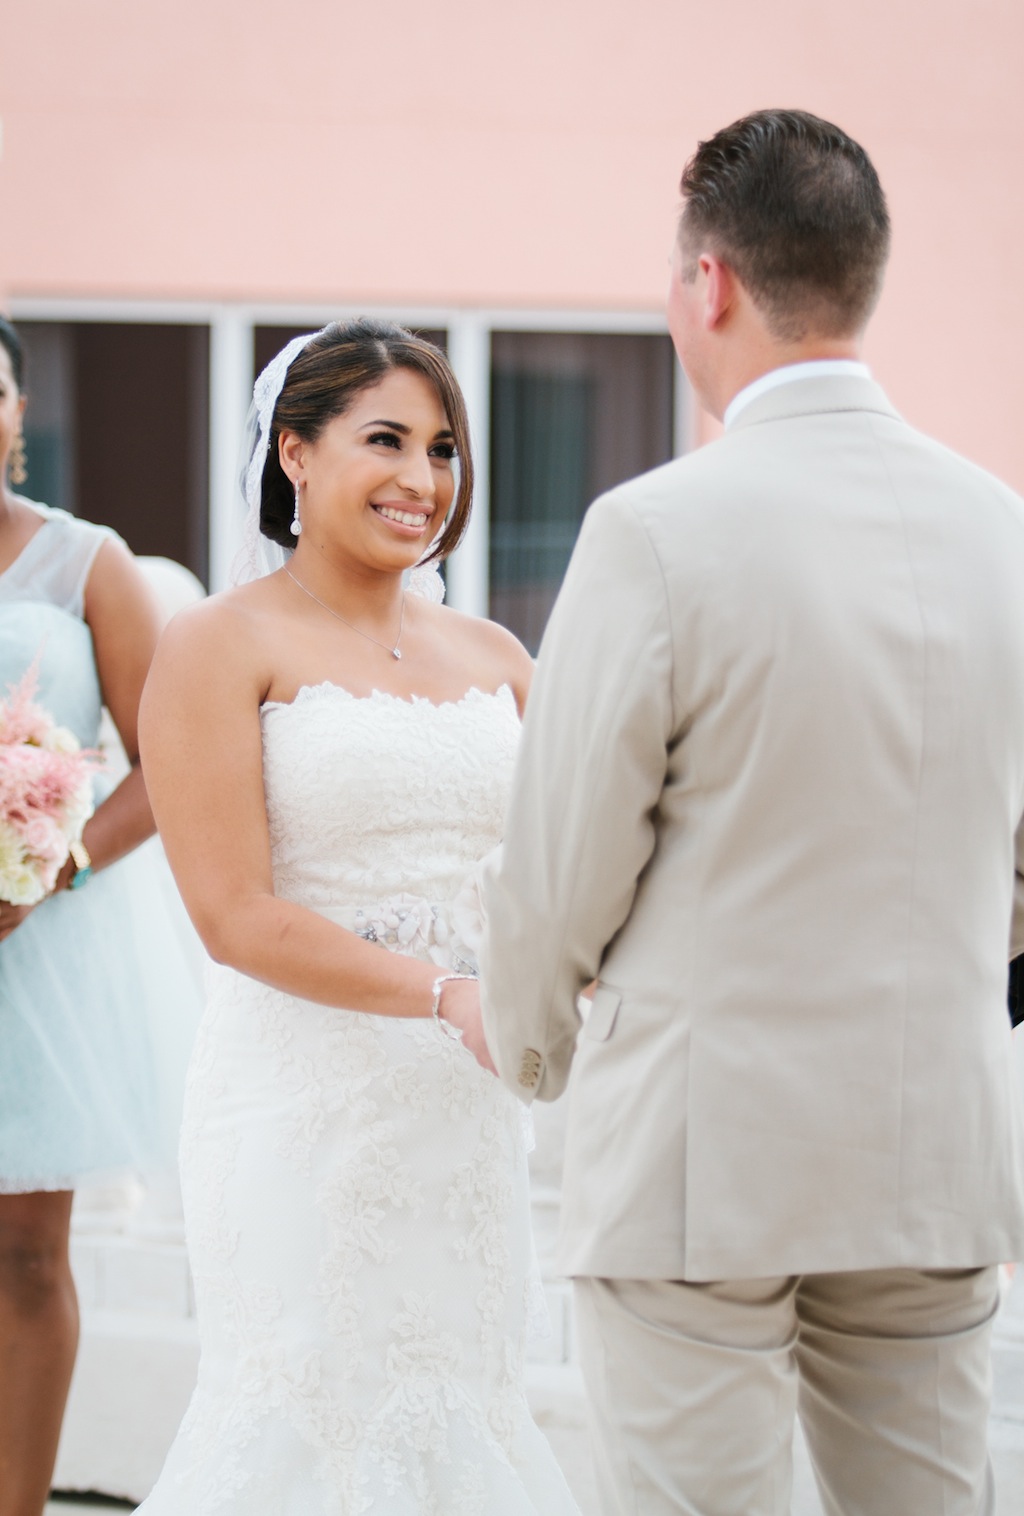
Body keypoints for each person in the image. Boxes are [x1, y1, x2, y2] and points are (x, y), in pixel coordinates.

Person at [478, 110, 1024, 1516]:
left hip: (696, 1164)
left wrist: (533, 1048)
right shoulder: (1006, 533)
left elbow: (562, 864)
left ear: (709, 282)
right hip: (936, 1152)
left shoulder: (655, 530)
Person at [135, 318, 579, 1514]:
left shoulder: (495, 653)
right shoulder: (215, 645)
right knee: (307, 1420)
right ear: (293, 451)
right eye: (384, 439)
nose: (423, 481)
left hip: (468, 1113)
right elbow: (233, 914)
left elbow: (579, 856)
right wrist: (444, 994)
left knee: (465, 1405)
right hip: (298, 1105)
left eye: (443, 450)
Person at [0, 315, 194, 1516]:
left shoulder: (88, 565)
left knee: (24, 1255)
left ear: (18, 411)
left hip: (40, 959)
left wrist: (45, 866)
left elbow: (170, 763)